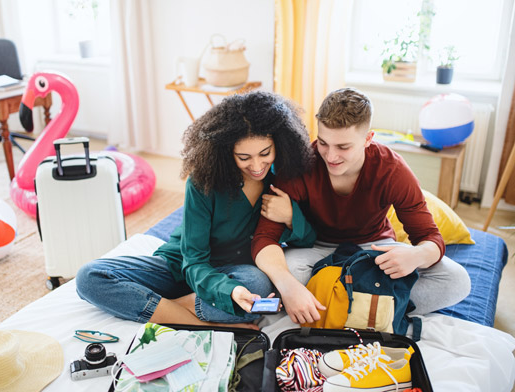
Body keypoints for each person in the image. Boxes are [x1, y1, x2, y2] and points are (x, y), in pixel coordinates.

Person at [76, 91, 315, 328]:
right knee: (89, 278)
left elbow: (310, 238)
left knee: (258, 284)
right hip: (182, 269)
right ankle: (206, 323)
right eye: (244, 157)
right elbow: (193, 262)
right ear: (225, 152)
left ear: (279, 144)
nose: (256, 165)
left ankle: (162, 308)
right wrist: (228, 293)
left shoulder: (283, 178)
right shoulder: (204, 182)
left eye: (265, 153)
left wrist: (291, 218)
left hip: (236, 273)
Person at [251, 87, 471, 325]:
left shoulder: (392, 170)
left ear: (368, 139)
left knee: (456, 280)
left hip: (373, 249)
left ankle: (337, 307)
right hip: (317, 249)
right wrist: (289, 286)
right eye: (324, 143)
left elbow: (429, 237)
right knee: (288, 271)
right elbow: (264, 238)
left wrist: (416, 255)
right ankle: (374, 308)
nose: (330, 156)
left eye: (343, 147)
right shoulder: (302, 163)